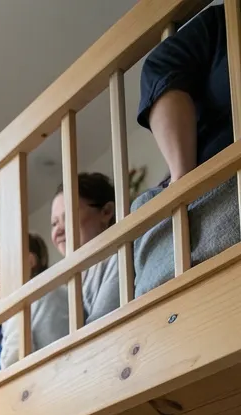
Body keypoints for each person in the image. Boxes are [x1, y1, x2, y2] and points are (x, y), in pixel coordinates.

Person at [133, 5, 239, 295]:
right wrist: (184, 181)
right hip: (206, 178)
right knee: (147, 208)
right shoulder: (225, 19)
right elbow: (160, 68)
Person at [0, 233, 70, 371]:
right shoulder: (56, 289)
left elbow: (12, 362)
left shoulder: (31, 298)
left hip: (51, 373)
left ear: (29, 262)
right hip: (56, 369)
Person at [50, 172, 121, 321]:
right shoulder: (63, 286)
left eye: (68, 216)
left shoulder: (118, 257)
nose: (58, 230)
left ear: (106, 212)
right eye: (54, 223)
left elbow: (101, 327)